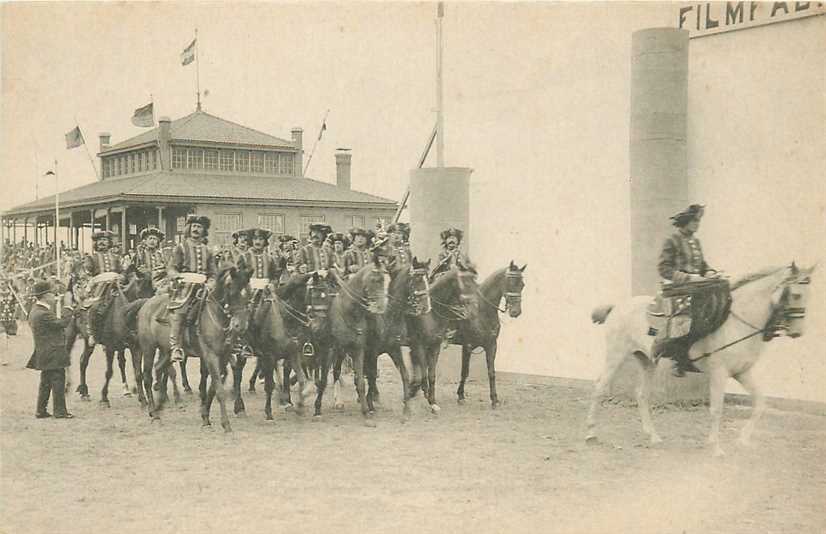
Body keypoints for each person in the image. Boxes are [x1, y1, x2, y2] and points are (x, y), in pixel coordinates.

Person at [654, 203, 719, 376]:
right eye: (695, 221)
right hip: (679, 288)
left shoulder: (696, 242)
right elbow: (663, 268)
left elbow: (702, 265)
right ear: (686, 222)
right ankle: (679, 360)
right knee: (687, 320)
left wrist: (710, 272)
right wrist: (687, 277)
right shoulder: (672, 240)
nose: (698, 224)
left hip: (697, 286)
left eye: (698, 221)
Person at [167, 215, 217, 363]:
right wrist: (176, 276)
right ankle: (176, 347)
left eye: (199, 227)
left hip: (204, 288)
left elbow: (213, 272)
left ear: (204, 231)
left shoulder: (208, 250)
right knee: (180, 313)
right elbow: (171, 268)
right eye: (194, 226)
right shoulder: (181, 248)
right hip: (185, 288)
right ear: (189, 228)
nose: (196, 229)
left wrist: (211, 283)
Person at [26, 280, 74, 419]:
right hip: (53, 351)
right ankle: (60, 411)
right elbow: (62, 323)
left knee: (45, 382)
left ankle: (41, 410)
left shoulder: (36, 310)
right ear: (45, 295)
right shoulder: (43, 313)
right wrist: (68, 306)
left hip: (45, 351)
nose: (54, 296)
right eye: (52, 293)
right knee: (58, 380)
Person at [83, 230, 123, 345]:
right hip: (99, 288)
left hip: (116, 286)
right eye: (99, 240)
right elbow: (87, 273)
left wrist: (121, 277)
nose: (102, 242)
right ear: (96, 243)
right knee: (94, 307)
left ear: (109, 242)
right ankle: (92, 334)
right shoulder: (91, 258)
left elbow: (123, 272)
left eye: (105, 240)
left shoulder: (116, 258)